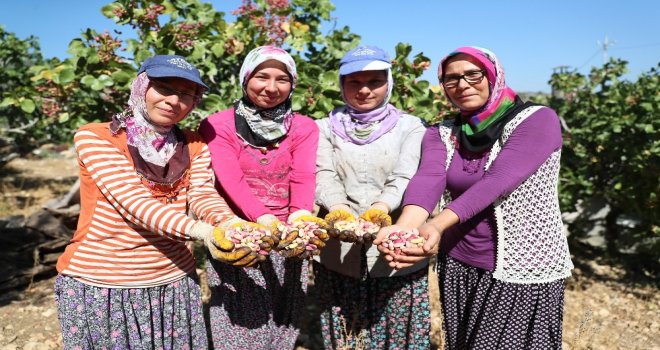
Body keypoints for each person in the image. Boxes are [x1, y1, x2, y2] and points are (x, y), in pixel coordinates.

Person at [54, 55, 263, 349]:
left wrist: (229, 224)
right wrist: (204, 233)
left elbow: (202, 195)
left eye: (186, 94)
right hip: (105, 282)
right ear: (142, 87)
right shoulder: (97, 137)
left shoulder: (194, 144)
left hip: (173, 280)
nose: (173, 101)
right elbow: (135, 203)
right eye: (164, 88)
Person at [374, 46, 574, 349]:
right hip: (460, 261)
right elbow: (429, 178)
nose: (462, 85)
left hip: (520, 266)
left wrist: (437, 224)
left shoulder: (537, 120)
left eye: (472, 74)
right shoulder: (443, 132)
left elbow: (499, 180)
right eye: (451, 79)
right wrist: (406, 227)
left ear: (493, 76)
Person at [198, 45, 319, 349]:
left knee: (282, 319)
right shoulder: (217, 125)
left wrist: (300, 218)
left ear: (292, 84)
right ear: (245, 77)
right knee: (240, 322)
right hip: (240, 234)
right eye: (262, 76)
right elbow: (230, 179)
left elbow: (302, 176)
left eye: (282, 79)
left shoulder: (303, 127)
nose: (271, 87)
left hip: (287, 237)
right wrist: (262, 220)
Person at [314, 45, 429, 349]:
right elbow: (323, 174)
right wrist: (339, 210)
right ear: (341, 84)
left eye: (375, 81)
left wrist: (381, 209)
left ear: (388, 83)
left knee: (396, 333)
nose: (364, 90)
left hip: (395, 251)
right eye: (354, 82)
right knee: (344, 333)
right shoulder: (324, 128)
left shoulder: (410, 127)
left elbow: (406, 176)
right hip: (339, 251)